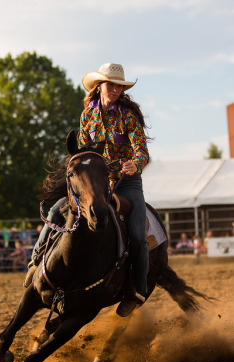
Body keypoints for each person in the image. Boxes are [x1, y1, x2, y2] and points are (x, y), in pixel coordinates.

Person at [28, 63, 150, 317]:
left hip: (127, 183)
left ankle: (138, 289)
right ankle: (35, 261)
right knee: (56, 210)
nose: (115, 89)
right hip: (95, 182)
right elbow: (84, 152)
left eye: (119, 85)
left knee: (138, 236)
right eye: (111, 84)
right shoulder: (88, 115)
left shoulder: (128, 115)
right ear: (99, 86)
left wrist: (134, 163)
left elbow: (142, 151)